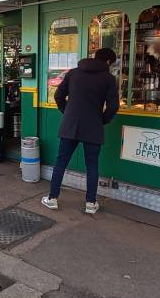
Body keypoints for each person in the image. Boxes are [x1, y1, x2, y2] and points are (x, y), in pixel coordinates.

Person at [42, 48, 120, 214]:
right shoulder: (108, 79)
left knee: (61, 162)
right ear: (107, 62)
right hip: (93, 127)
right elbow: (113, 106)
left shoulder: (74, 73)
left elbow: (58, 96)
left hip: (70, 126)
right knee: (92, 165)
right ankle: (91, 203)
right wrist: (102, 120)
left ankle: (52, 199)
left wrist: (67, 112)